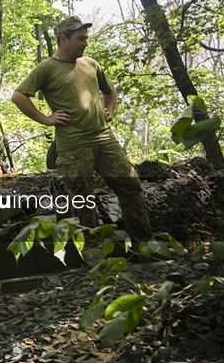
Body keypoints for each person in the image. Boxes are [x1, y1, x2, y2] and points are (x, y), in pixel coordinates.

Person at [10, 16, 152, 242]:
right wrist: (46, 119)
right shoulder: (46, 69)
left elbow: (110, 91)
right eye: (80, 39)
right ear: (63, 39)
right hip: (74, 146)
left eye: (86, 38)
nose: (85, 43)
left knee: (131, 186)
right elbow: (18, 96)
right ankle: (93, 253)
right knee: (83, 200)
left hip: (105, 139)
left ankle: (144, 246)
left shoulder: (91, 64)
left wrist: (109, 110)